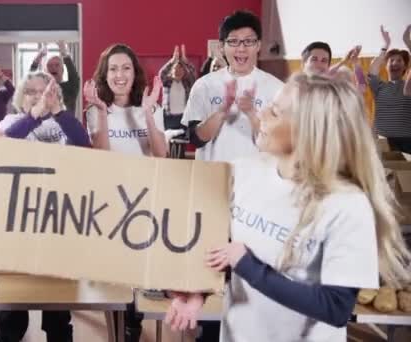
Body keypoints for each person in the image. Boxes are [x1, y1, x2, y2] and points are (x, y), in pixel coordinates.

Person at [164, 73, 411, 342]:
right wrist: (199, 292)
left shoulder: (346, 205)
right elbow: (228, 254)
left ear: (307, 130)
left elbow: (336, 307)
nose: (262, 114)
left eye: (275, 111)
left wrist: (248, 265)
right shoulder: (247, 171)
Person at [0, 71, 89, 342]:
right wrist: (35, 115)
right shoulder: (12, 121)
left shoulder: (66, 122)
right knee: (11, 320)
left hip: (58, 228)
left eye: (44, 90)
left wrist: (57, 112)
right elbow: (2, 146)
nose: (37, 95)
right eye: (30, 91)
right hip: (18, 230)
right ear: (20, 96)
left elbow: (84, 146)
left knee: (58, 321)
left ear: (56, 96)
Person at [83, 43, 167, 341]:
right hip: (111, 202)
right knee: (115, 276)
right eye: (113, 69)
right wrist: (102, 114)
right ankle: (117, 329)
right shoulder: (95, 110)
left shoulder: (151, 106)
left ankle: (134, 322)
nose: (120, 75)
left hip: (146, 201)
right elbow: (101, 155)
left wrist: (147, 114)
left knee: (141, 274)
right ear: (105, 75)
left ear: (135, 73)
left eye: (126, 68)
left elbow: (161, 156)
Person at [182, 10, 283, 163]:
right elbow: (195, 139)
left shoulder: (277, 89)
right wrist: (222, 111)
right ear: (222, 46)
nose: (241, 48)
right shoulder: (204, 85)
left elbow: (279, 144)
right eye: (234, 41)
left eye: (249, 41)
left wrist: (251, 113)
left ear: (258, 45)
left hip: (258, 178)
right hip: (213, 177)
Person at [369, 24, 411, 153]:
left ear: (405, 67)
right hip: (382, 139)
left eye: (399, 61)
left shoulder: (408, 85)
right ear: (386, 66)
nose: (395, 63)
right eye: (391, 61)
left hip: (408, 140)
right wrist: (386, 44)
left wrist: (408, 43)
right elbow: (372, 69)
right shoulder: (379, 86)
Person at [30, 41, 80, 112]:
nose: (53, 68)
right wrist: (37, 58)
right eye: (49, 66)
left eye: (57, 65)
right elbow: (29, 81)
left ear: (62, 70)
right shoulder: (42, 88)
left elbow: (74, 77)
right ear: (45, 71)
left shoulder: (70, 88)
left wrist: (64, 54)